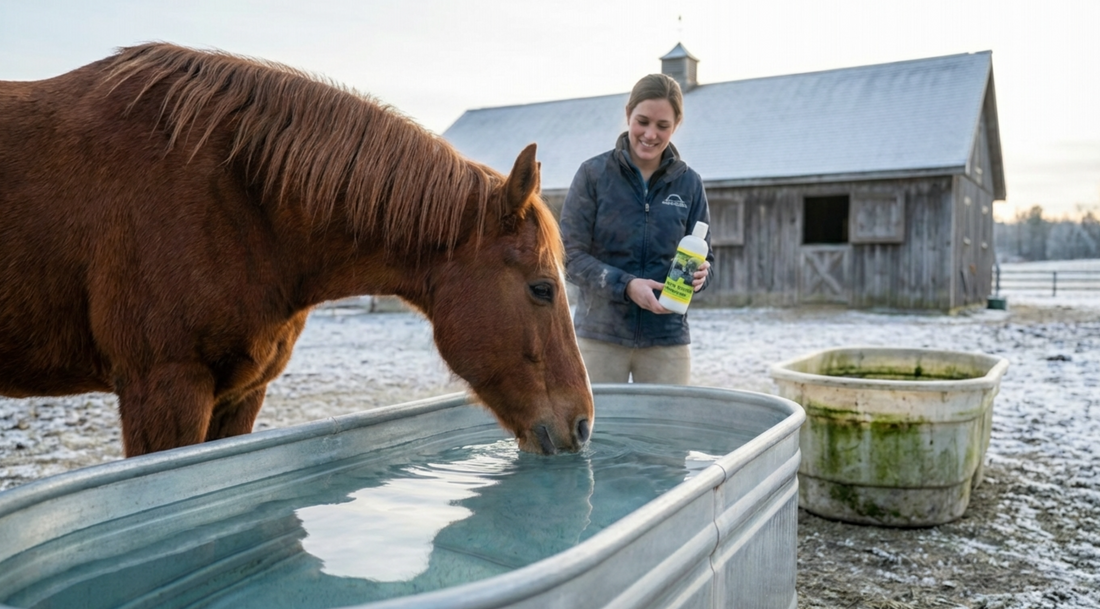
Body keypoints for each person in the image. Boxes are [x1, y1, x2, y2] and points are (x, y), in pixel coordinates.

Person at [560, 73, 712, 385]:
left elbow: (708, 255)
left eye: (662, 126)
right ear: (628, 113)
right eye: (642, 121)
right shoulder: (593, 175)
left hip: (666, 340)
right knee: (595, 433)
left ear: (677, 124)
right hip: (600, 338)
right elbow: (568, 256)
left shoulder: (689, 183)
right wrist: (626, 285)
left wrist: (702, 276)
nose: (650, 134)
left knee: (664, 433)